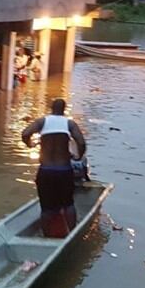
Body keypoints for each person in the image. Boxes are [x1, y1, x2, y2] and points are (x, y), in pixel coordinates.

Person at [22, 99, 87, 237]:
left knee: (46, 208)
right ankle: (72, 234)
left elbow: (25, 133)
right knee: (68, 204)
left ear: (51, 108)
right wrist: (77, 156)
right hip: (64, 171)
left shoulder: (42, 122)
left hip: (45, 171)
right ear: (64, 109)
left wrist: (30, 144)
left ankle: (46, 237)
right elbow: (81, 142)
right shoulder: (69, 124)